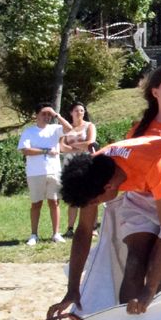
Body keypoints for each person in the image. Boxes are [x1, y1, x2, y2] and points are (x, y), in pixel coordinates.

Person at [49, 135, 161, 318]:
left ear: (108, 187)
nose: (96, 205)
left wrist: (149, 289)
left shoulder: (155, 165)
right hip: (139, 191)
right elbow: (84, 230)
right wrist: (73, 289)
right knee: (134, 262)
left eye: (96, 202)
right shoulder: (92, 170)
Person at [18, 103, 72, 245]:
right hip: (35, 173)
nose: (47, 117)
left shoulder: (55, 129)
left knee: (54, 202)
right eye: (44, 114)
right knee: (36, 204)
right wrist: (45, 151)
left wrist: (57, 115)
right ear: (37, 115)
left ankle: (56, 233)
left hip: (54, 171)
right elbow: (25, 150)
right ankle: (34, 235)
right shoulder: (29, 132)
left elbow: (69, 129)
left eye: (49, 114)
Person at [60, 101, 98, 238]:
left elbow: (90, 143)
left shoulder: (89, 126)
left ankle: (93, 227)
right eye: (76, 110)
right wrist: (78, 146)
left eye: (82, 110)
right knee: (72, 197)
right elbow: (62, 147)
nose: (80, 113)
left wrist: (72, 145)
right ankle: (70, 228)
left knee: (89, 195)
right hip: (70, 165)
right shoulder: (65, 128)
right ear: (71, 113)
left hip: (85, 163)